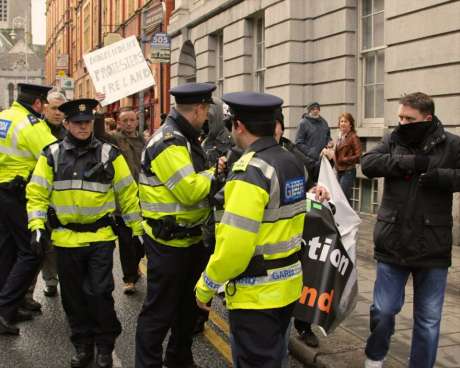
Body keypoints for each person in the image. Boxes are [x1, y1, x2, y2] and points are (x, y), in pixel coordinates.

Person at [195, 92, 329, 367]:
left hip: (255, 296)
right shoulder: (292, 162)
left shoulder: (250, 172)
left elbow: (234, 248)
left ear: (239, 126)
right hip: (288, 287)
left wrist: (205, 287)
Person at [26, 98, 143, 368]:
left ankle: (104, 345)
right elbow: (37, 194)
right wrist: (37, 227)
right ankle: (82, 344)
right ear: (66, 123)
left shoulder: (109, 154)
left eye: (87, 122)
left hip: (100, 237)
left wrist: (138, 232)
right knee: (74, 297)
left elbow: (128, 194)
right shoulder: (51, 154)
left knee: (100, 293)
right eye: (77, 123)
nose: (83, 127)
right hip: (66, 240)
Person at [361, 92, 460, 368]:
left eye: (409, 118)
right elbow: (368, 163)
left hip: (433, 244)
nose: (402, 122)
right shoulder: (393, 139)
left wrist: (442, 177)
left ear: (427, 118)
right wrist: (408, 163)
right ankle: (375, 356)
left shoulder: (452, 145)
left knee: (428, 321)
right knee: (383, 310)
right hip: (393, 242)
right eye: (400, 117)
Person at [135, 83, 220, 368]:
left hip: (190, 240)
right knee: (159, 312)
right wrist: (218, 173)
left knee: (188, 309)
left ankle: (179, 359)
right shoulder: (169, 142)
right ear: (197, 109)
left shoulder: (186, 137)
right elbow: (190, 190)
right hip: (167, 244)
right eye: (206, 110)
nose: (207, 116)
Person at [0, 83, 57, 335]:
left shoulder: (3, 118)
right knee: (32, 250)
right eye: (44, 104)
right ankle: (4, 309)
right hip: (18, 193)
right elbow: (57, 154)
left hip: (2, 192)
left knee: (7, 250)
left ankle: (11, 306)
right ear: (37, 104)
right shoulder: (30, 124)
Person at [26, 90, 68, 301]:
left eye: (61, 109)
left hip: (64, 199)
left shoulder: (70, 132)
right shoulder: (35, 129)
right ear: (44, 108)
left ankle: (56, 282)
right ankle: (31, 292)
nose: (58, 113)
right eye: (53, 108)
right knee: (39, 246)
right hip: (40, 194)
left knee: (60, 245)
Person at [112, 109, 145, 295]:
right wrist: (100, 110)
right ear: (119, 122)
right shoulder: (115, 140)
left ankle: (136, 265)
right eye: (125, 120)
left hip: (143, 199)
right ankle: (129, 279)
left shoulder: (144, 141)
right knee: (126, 241)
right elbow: (99, 133)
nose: (129, 123)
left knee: (140, 242)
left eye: (132, 120)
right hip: (123, 201)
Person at [324, 112, 362, 204]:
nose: (343, 123)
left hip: (348, 171)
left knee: (343, 198)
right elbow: (337, 153)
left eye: (345, 121)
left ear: (350, 124)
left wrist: (344, 159)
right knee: (339, 198)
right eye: (341, 121)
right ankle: (343, 217)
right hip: (339, 170)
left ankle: (349, 218)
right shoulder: (339, 137)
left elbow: (358, 156)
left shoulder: (353, 137)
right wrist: (329, 149)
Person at [295, 101, 332, 182]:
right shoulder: (303, 123)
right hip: (309, 163)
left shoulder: (324, 122)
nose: (316, 111)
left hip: (323, 160)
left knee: (323, 186)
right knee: (312, 188)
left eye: (317, 109)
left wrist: (329, 143)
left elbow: (328, 136)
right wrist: (313, 153)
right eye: (313, 109)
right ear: (309, 111)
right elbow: (298, 143)